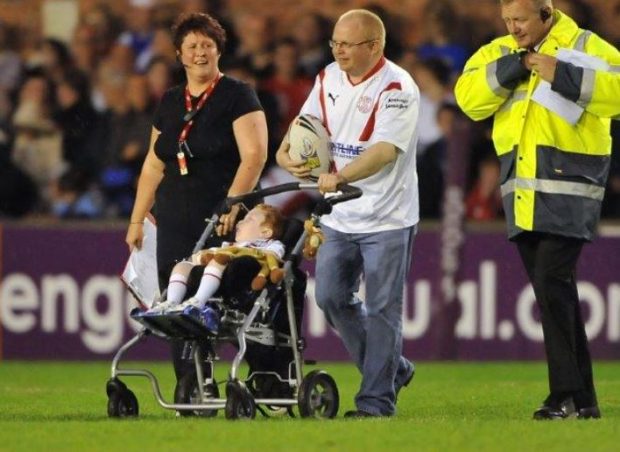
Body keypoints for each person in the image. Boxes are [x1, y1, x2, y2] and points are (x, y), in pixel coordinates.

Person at [454, 0, 620, 420]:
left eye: (521, 20)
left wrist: (560, 73)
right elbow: (468, 99)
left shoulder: (586, 45)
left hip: (570, 188)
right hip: (522, 193)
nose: (513, 28)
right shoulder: (497, 51)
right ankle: (586, 401)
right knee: (554, 292)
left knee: (551, 283)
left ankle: (561, 394)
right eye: (507, 20)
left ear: (547, 14)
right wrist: (517, 67)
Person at [276, 9, 419, 418]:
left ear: (374, 46)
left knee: (382, 309)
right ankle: (393, 368)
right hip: (340, 215)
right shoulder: (328, 77)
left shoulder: (398, 87)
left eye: (347, 44)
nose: (338, 50)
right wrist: (287, 152)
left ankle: (375, 403)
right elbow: (308, 124)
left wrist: (339, 176)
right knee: (331, 298)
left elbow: (384, 152)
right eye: (334, 43)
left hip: (388, 217)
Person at [125, 12, 268, 383]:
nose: (200, 52)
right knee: (177, 303)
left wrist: (234, 203)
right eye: (192, 46)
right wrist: (137, 219)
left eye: (207, 44)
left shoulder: (238, 95)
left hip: (223, 216)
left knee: (233, 301)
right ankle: (189, 387)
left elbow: (254, 156)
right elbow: (154, 165)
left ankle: (266, 375)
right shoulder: (171, 101)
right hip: (174, 217)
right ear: (179, 54)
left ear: (219, 50)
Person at [145, 204, 285, 332]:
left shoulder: (270, 244)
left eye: (249, 220)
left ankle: (198, 302)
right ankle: (171, 303)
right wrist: (199, 257)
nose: (240, 222)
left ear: (265, 232)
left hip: (240, 275)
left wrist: (238, 253)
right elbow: (210, 253)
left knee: (219, 259)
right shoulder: (229, 245)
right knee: (181, 266)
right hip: (218, 269)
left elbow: (273, 256)